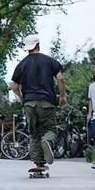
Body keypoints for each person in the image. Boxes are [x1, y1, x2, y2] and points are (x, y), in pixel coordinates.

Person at [11, 34, 67, 170]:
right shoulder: (49, 61)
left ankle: (39, 162)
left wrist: (23, 99)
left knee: (34, 133)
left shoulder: (22, 64)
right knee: (49, 130)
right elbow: (60, 78)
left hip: (29, 103)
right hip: (47, 101)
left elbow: (14, 87)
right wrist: (62, 96)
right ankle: (47, 141)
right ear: (38, 45)